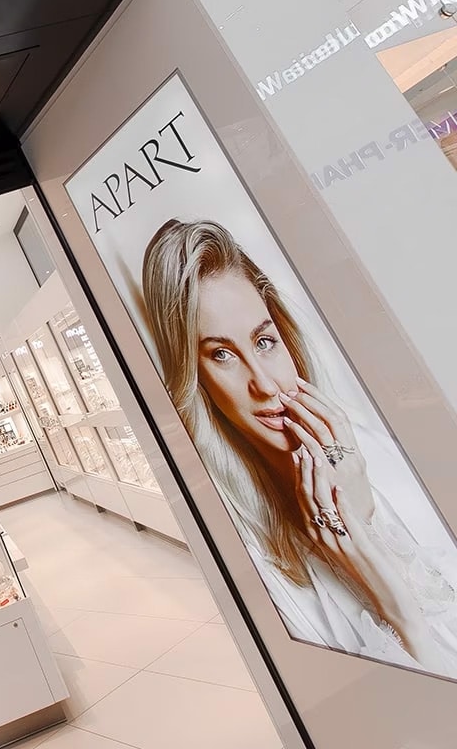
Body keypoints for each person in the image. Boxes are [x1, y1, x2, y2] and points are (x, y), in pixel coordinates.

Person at [141, 218, 457, 677]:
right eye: (222, 355)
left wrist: (364, 515)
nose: (265, 384)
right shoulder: (252, 553)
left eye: (264, 342)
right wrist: (397, 609)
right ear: (197, 379)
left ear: (285, 337)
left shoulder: (383, 449)